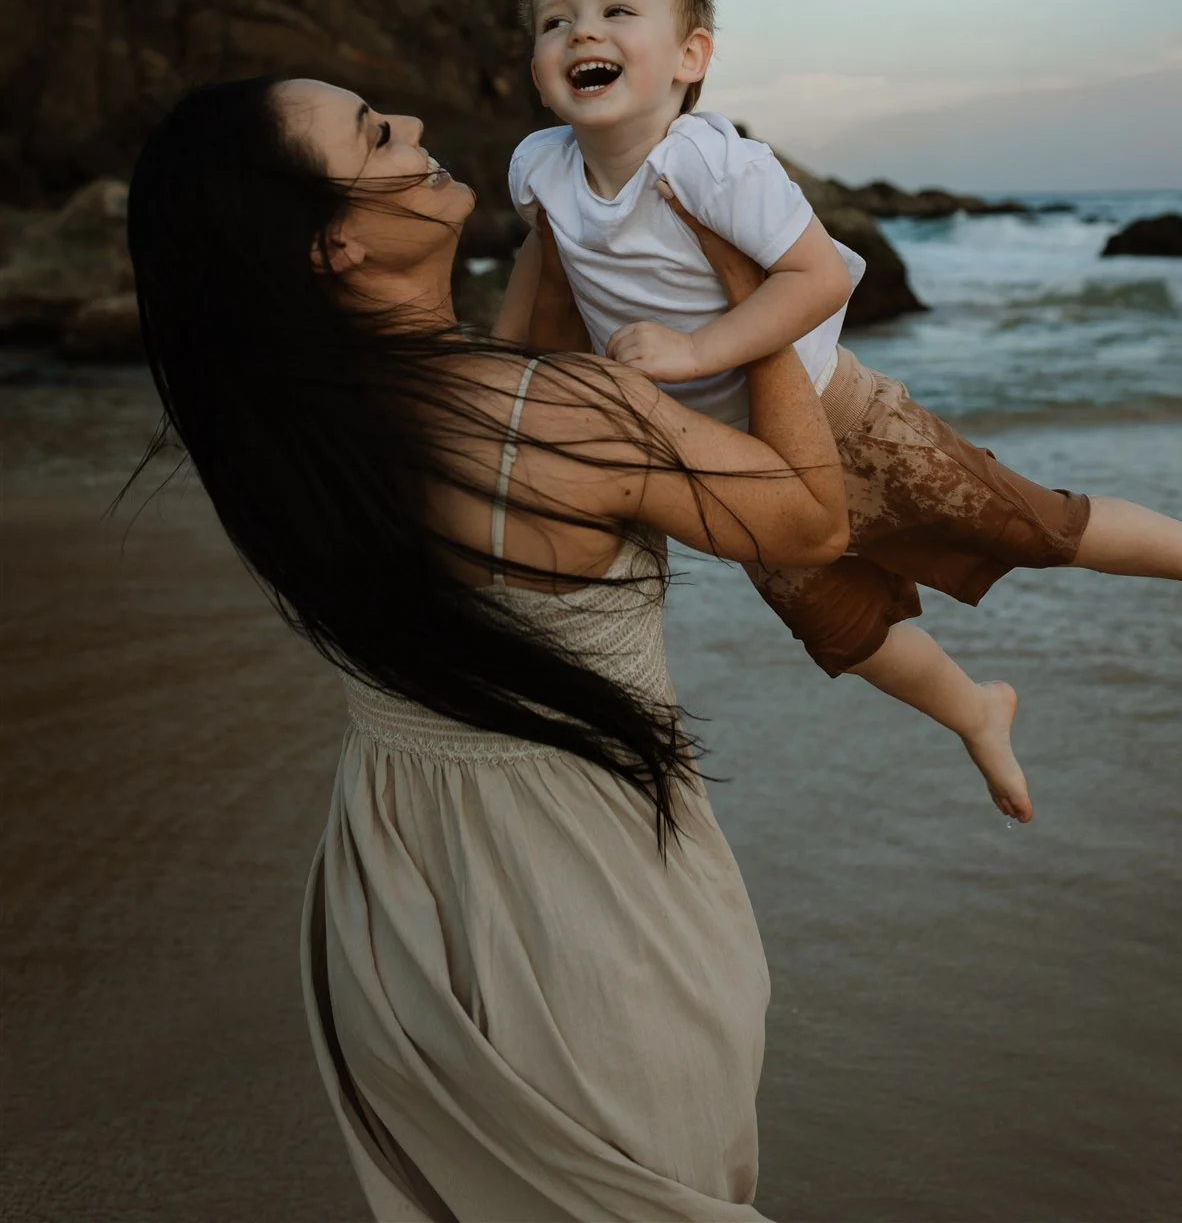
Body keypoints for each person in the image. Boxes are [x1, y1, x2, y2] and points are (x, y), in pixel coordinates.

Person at [126, 73, 851, 1223]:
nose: (413, 129)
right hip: (586, 912)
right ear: (330, 247)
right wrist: (755, 286)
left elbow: (503, 387)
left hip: (401, 907)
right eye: (375, 135)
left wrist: (562, 233)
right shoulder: (557, 414)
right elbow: (811, 520)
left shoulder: (295, 442)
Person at [504, 0, 1182, 824]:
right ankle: (972, 710)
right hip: (730, 469)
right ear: (540, 63)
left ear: (690, 57)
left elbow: (817, 276)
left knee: (1031, 527)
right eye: (557, 20)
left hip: (841, 418)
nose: (582, 30)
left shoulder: (709, 162)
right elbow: (544, 303)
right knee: (839, 628)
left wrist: (698, 349)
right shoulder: (540, 170)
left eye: (618, 11)